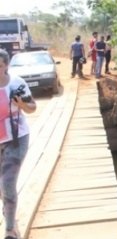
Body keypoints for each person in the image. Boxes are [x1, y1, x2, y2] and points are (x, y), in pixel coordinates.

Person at [0, 49, 37, 239]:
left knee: (7, 183)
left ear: (6, 65)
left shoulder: (17, 84)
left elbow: (32, 107)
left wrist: (21, 104)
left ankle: (10, 229)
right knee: (1, 185)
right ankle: (9, 211)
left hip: (16, 140)